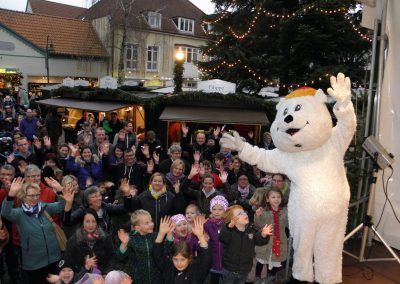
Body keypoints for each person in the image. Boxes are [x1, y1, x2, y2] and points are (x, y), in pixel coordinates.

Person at [1, 177, 74, 284]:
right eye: (31, 195)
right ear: (23, 196)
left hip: (54, 258)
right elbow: (5, 212)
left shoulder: (44, 207)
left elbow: (61, 206)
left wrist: (59, 190)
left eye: (37, 195)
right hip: (34, 263)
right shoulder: (19, 214)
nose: (35, 198)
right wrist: (11, 195)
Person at [219, 205, 273, 284]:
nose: (244, 214)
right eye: (239, 214)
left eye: (244, 212)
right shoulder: (230, 231)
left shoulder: (251, 229)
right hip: (229, 269)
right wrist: (229, 226)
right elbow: (223, 238)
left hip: (245, 268)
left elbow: (259, 240)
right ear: (232, 219)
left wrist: (263, 235)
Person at [152, 216, 212, 284]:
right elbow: (157, 254)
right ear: (171, 258)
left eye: (183, 259)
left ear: (189, 258)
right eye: (175, 259)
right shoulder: (168, 269)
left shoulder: (196, 270)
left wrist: (201, 236)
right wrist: (161, 233)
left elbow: (206, 257)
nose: (179, 264)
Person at [248, 187, 288, 284]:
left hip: (279, 242)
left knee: (275, 261)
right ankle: (257, 277)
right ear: (267, 199)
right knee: (261, 261)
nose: (276, 199)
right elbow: (258, 225)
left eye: (278, 197)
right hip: (266, 243)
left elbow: (288, 224)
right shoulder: (264, 212)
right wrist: (257, 216)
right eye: (273, 197)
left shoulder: (284, 212)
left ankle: (271, 277)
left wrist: (291, 213)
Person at [117, 209, 167, 284]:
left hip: (157, 278)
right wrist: (124, 244)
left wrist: (169, 234)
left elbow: (166, 250)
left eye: (151, 221)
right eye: (147, 223)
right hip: (139, 279)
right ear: (137, 228)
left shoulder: (156, 236)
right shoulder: (131, 239)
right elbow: (120, 257)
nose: (151, 224)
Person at [64, 208, 115, 275]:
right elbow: (69, 263)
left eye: (93, 221)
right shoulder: (74, 240)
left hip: (104, 274)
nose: (91, 225)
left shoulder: (105, 237)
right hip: (83, 276)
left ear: (97, 222)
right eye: (87, 221)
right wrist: (86, 267)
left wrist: (106, 273)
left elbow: (112, 257)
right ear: (82, 222)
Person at [204, 195, 229, 284]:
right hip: (213, 259)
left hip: (226, 260)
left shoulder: (228, 223)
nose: (216, 212)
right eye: (214, 209)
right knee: (214, 279)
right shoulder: (207, 224)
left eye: (220, 209)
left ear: (225, 210)